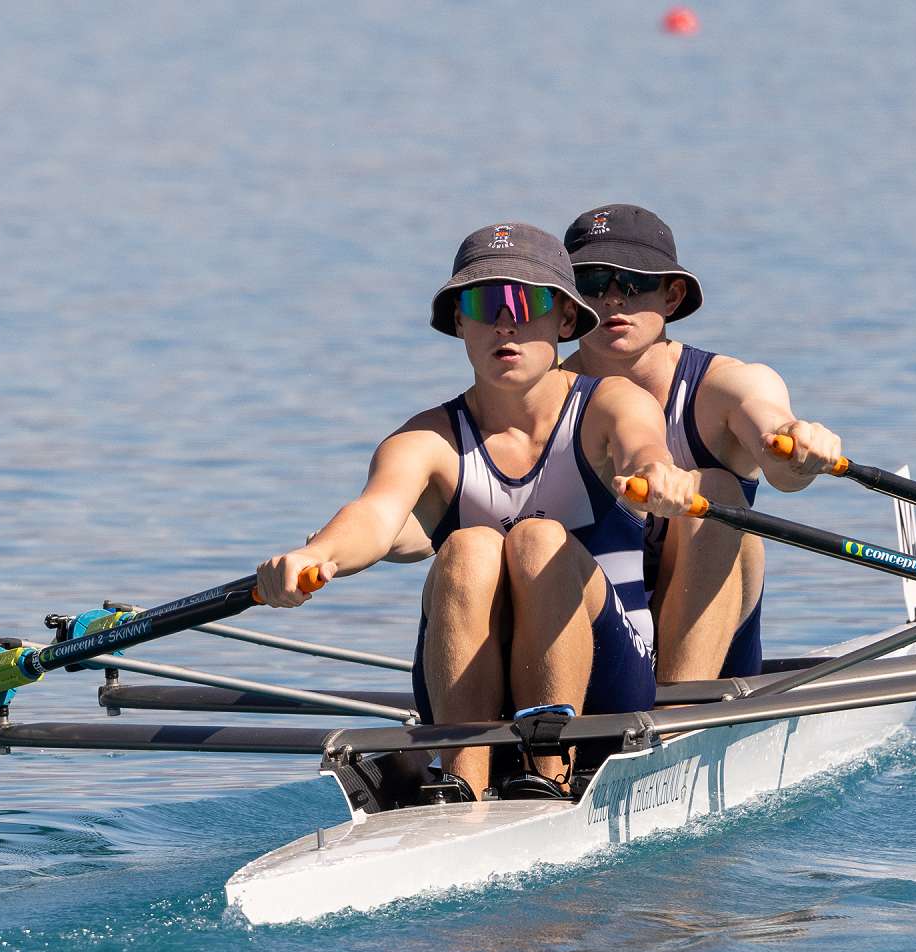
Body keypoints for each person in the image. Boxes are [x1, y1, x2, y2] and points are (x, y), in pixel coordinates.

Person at [254, 223, 703, 799]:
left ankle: (550, 771)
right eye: (483, 305)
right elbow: (375, 514)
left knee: (537, 539)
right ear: (459, 324)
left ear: (566, 320)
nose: (505, 323)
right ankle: (462, 783)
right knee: (469, 546)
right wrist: (316, 555)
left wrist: (656, 471)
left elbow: (643, 446)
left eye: (527, 302)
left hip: (609, 692)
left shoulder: (610, 403)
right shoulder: (426, 438)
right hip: (468, 699)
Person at [560, 204, 844, 682]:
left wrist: (801, 446)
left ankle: (683, 706)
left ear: (671, 296)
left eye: (632, 282)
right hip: (590, 642)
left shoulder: (724, 386)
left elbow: (778, 453)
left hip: (715, 653)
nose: (611, 299)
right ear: (570, 302)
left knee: (713, 490)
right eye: (591, 282)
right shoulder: (541, 394)